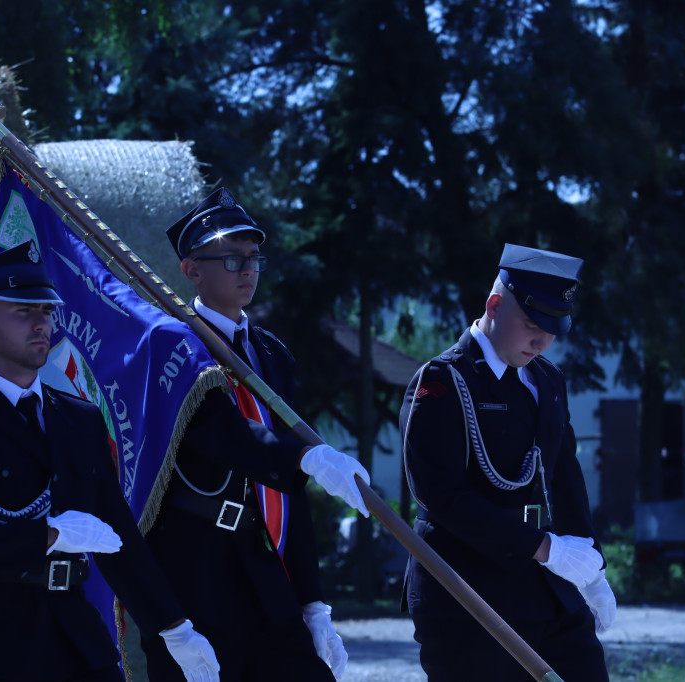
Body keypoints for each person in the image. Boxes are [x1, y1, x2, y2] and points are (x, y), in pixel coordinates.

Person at [0, 241, 220, 682]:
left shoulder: (79, 419)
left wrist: (174, 627)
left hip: (71, 628)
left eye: (47, 312)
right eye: (23, 312)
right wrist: (47, 535)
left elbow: (118, 537)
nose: (42, 324)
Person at [139, 188, 371, 682]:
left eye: (253, 257)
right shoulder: (172, 344)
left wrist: (313, 600)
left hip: (266, 569)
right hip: (194, 573)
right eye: (229, 257)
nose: (247, 269)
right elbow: (220, 433)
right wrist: (305, 460)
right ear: (191, 270)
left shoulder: (271, 352)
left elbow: (291, 491)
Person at [398, 244, 617, 681]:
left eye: (554, 330)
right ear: (494, 305)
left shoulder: (548, 379)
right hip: (468, 590)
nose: (543, 341)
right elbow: (439, 494)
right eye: (533, 325)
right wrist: (544, 548)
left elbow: (565, 475)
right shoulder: (443, 381)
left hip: (547, 589)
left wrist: (592, 568)